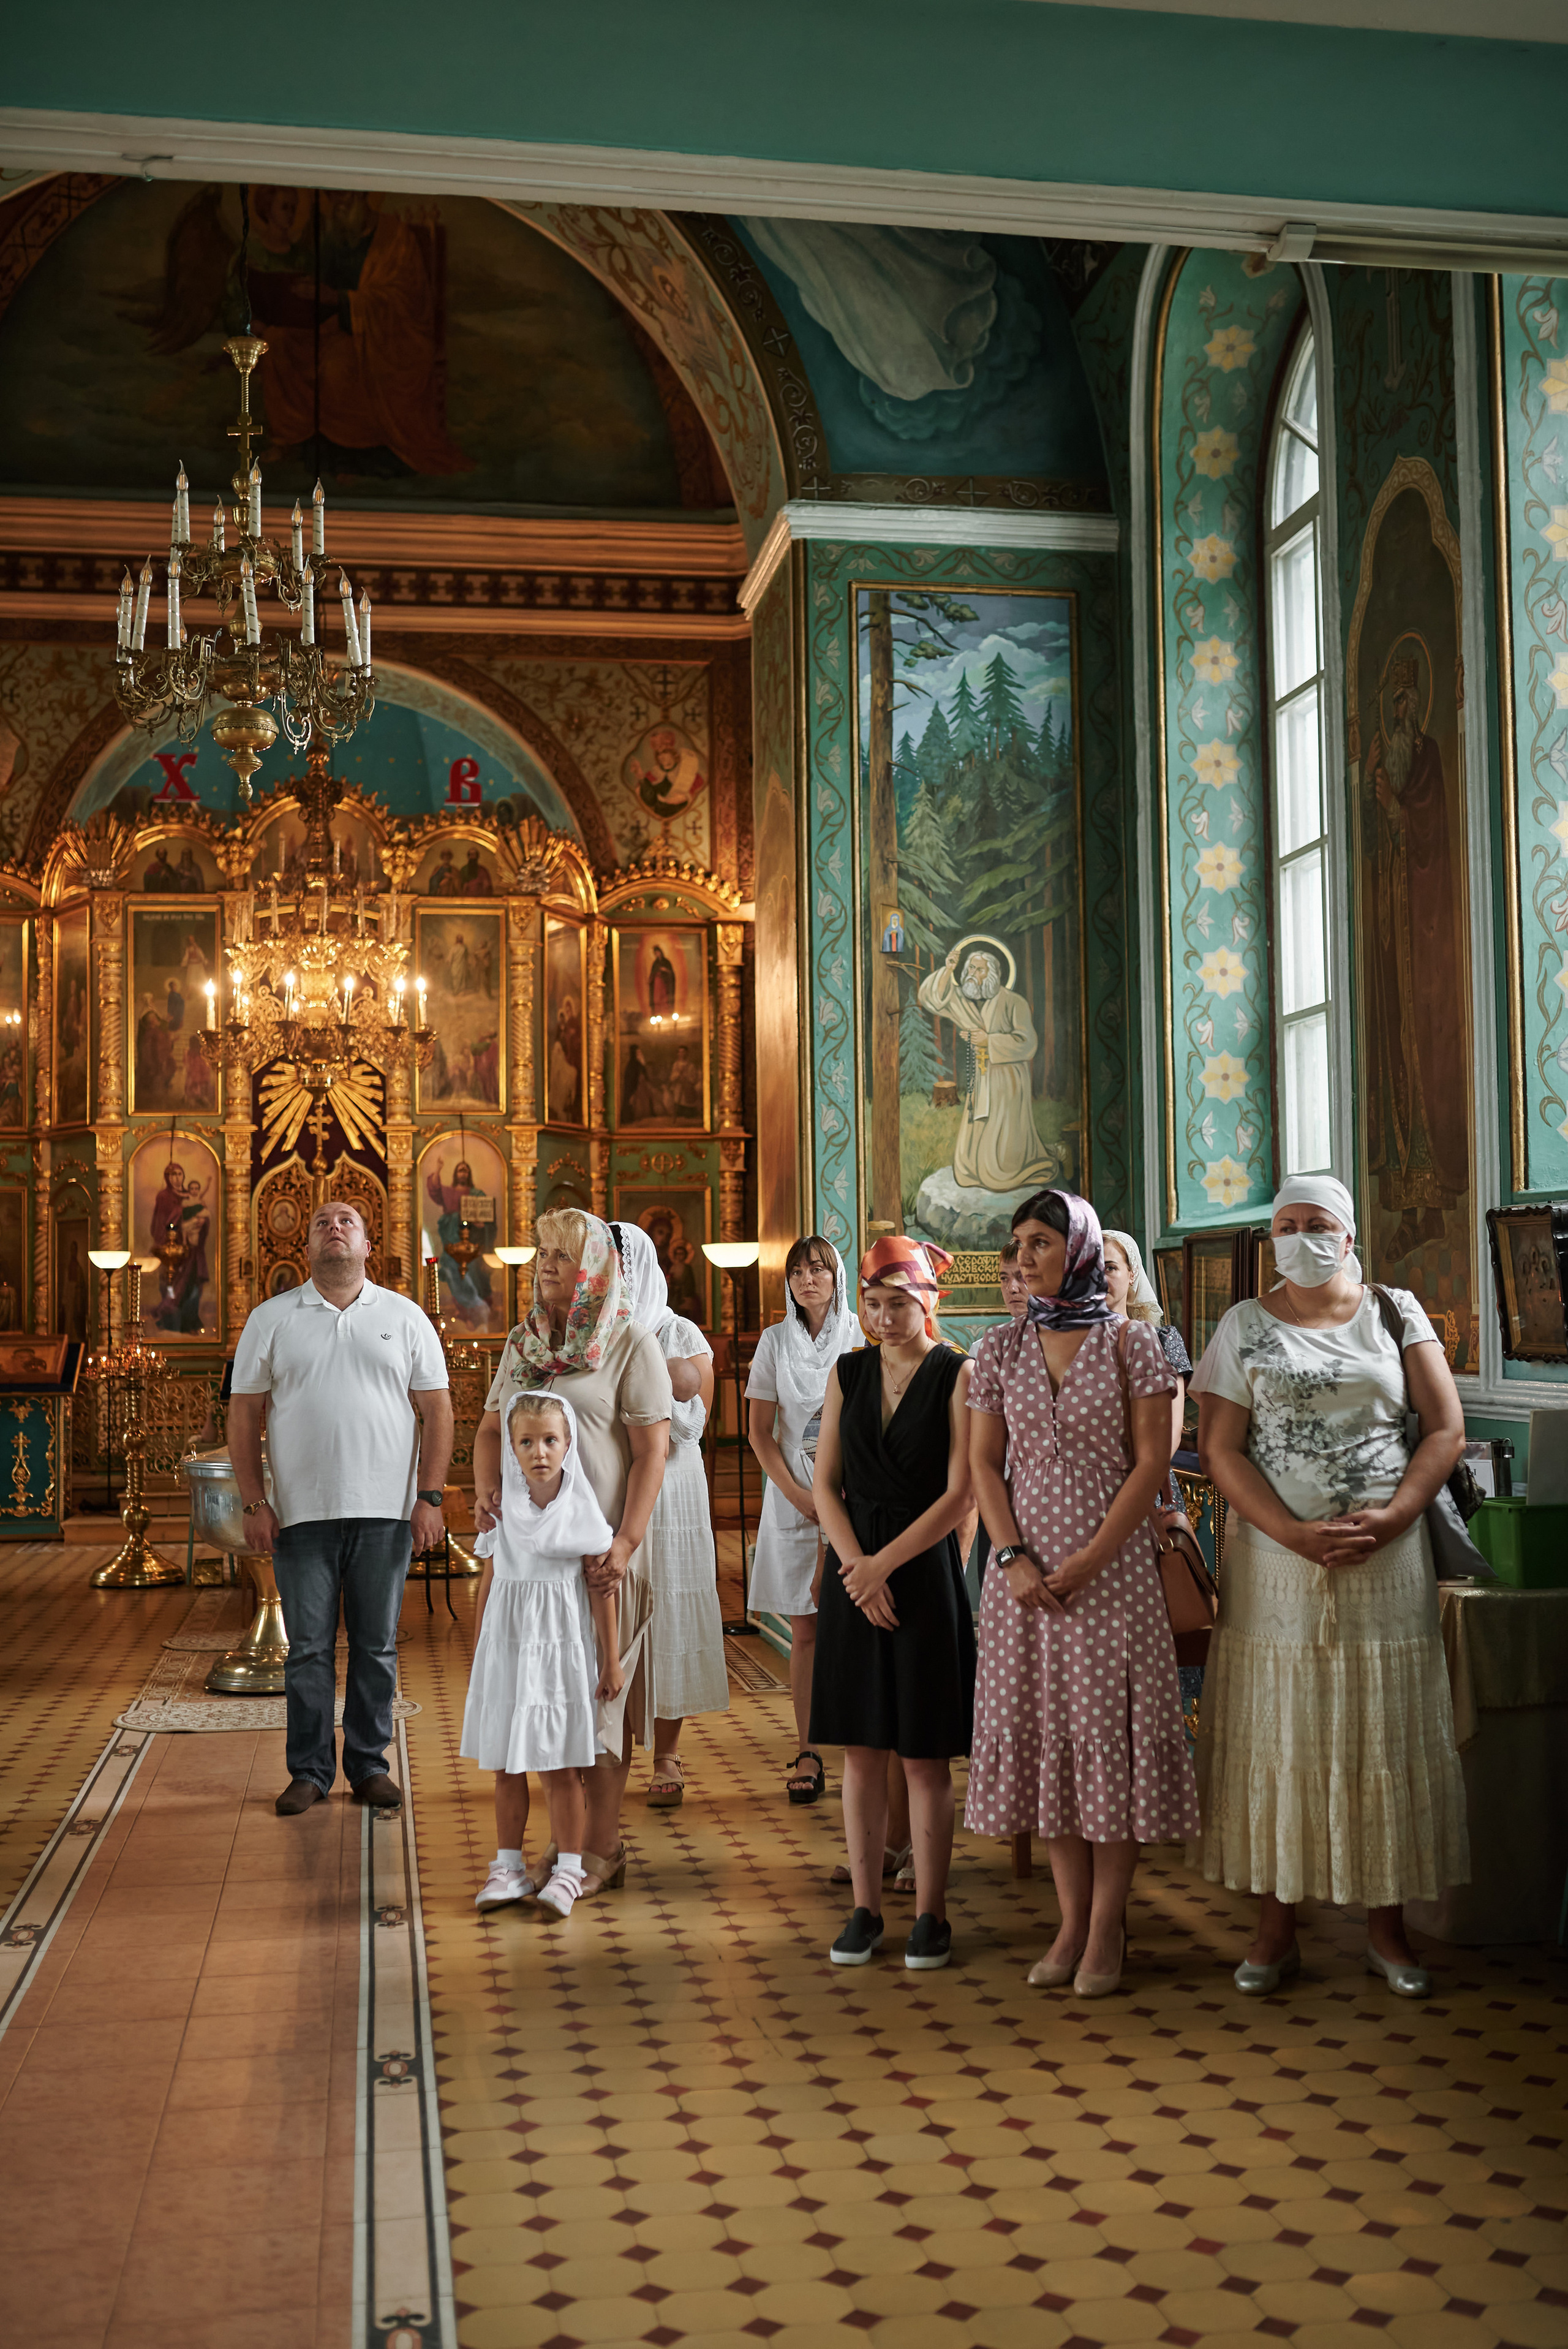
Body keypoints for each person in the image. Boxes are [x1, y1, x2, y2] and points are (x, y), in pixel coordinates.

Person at [1190, 1174, 1469, 1997]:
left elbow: (1445, 1428)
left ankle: (1388, 1930)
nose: (1299, 1238)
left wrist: (1397, 1516)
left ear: (1347, 1237)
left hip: (1387, 1560)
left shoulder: (1395, 1312)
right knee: (1282, 1731)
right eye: (1285, 1225)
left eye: (1315, 1224)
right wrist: (1290, 1533)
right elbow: (1220, 1448)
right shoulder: (1244, 1324)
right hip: (1276, 1564)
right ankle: (1275, 1930)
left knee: (1383, 1733)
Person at [967, 1189, 1197, 1997]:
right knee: (1052, 1746)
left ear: (1081, 1251)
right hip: (1023, 1584)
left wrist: (1096, 1555)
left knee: (1108, 1745)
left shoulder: (1133, 1344)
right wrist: (1012, 1556)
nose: (1023, 1257)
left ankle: (1106, 1926)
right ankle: (1070, 1922)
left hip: (1113, 1577)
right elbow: (983, 1464)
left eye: (1040, 1242)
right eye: (1018, 1243)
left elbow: (1152, 1462)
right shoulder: (999, 1347)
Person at [228, 1200, 453, 1816]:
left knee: (376, 1646)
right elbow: (244, 1413)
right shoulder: (272, 1319)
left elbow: (438, 1410)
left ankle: (369, 1765)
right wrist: (254, 1501)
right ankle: (309, 1771)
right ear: (306, 1247)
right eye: (321, 1222)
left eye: (347, 1221)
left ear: (367, 1246)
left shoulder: (404, 1317)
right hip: (300, 1514)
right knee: (308, 1649)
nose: (334, 1228)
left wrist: (430, 1497)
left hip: (387, 1512)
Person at [473, 1210, 671, 1895]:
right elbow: (491, 1429)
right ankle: (565, 1848)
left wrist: (626, 1542)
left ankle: (601, 1850)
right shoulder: (523, 1343)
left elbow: (652, 1453)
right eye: (542, 1254)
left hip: (601, 1556)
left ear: (595, 1268)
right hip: (532, 1563)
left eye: (562, 1255)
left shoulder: (628, 1343)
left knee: (600, 1704)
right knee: (547, 1701)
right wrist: (487, 1491)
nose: (546, 1266)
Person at [810, 1235, 975, 1971]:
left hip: (920, 1572)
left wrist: (883, 1566)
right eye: (872, 1305)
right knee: (861, 1752)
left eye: (897, 1304)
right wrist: (857, 1569)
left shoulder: (957, 1374)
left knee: (923, 1757)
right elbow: (825, 1484)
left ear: (928, 1302)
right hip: (855, 1573)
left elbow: (960, 1494)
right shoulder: (847, 1373)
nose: (882, 1318)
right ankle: (866, 1908)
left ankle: (931, 1914)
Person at [462, 1392, 624, 1921]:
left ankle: (569, 1870)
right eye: (527, 1442)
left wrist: (611, 1660)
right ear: (511, 1449)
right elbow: (491, 1578)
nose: (539, 1452)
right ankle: (508, 1867)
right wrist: (482, 1647)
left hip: (560, 1651)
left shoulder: (581, 1511)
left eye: (550, 1440)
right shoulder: (502, 1509)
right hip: (509, 1647)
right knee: (506, 1763)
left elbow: (601, 1591)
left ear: (568, 1443)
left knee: (560, 1764)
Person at [612, 1222, 729, 1807]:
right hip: (613, 1483)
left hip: (673, 1487)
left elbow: (693, 1426)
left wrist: (649, 1359)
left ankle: (667, 1753)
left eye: (621, 1265)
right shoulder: (590, 1329)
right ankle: (607, 1750)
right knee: (614, 1615)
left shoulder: (678, 1331)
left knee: (670, 1610)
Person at [745, 1236, 864, 1804]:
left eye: (818, 1269)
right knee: (806, 1628)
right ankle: (809, 1748)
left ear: (837, 1277)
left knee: (860, 1626)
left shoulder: (860, 1335)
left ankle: (865, 1748)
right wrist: (796, 1494)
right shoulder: (774, 1341)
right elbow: (759, 1432)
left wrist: (835, 1494)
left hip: (853, 1493)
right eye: (796, 1271)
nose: (807, 1279)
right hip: (793, 1494)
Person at [916, 944, 1054, 1192]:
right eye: (970, 968)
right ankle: (976, 1170)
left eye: (979, 970)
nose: (972, 973)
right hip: (981, 1077)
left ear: (993, 975)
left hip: (1007, 1078)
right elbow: (932, 999)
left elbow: (1028, 1044)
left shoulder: (1014, 1002)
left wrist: (989, 1041)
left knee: (1002, 1129)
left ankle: (1007, 1171)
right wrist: (948, 970)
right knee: (974, 1143)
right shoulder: (964, 1002)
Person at [1102, 1227, 1192, 1464]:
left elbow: (1170, 1434)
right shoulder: (1070, 1343)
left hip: (1146, 1474)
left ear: (1132, 1274)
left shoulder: (1162, 1341)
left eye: (1110, 1268)